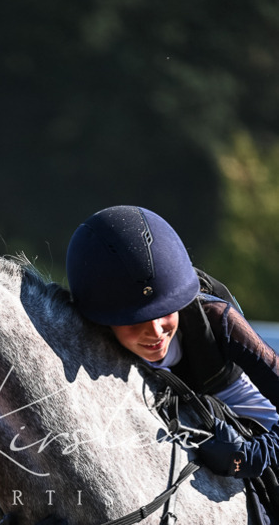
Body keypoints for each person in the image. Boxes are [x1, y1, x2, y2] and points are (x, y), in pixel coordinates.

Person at [65, 205, 279, 478]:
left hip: (249, 412)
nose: (155, 332)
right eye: (135, 320)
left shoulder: (217, 318)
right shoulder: (91, 332)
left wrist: (251, 457)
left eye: (164, 311)